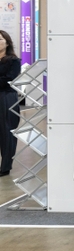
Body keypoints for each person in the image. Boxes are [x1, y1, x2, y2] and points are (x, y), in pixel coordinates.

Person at [0, 31, 21, 177]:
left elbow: (9, 79)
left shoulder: (13, 61)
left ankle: (5, 166)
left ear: (7, 43)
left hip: (6, 97)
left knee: (7, 131)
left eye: (0, 39)